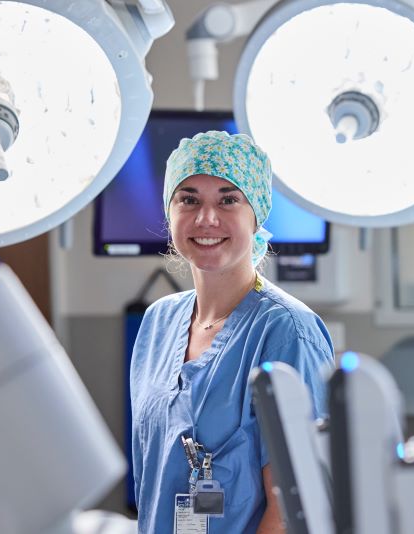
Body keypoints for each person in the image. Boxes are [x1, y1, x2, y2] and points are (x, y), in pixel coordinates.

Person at [130, 130, 335, 534]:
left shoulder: (287, 333)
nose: (206, 218)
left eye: (228, 199)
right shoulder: (157, 324)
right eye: (188, 199)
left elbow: (294, 513)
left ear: (255, 213)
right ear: (169, 213)